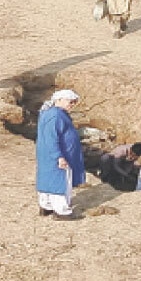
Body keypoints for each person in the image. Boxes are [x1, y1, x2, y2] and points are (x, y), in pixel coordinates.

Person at [35, 89, 85, 220]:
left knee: (47, 180)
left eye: (74, 102)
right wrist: (59, 156)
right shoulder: (56, 116)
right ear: (59, 100)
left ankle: (46, 207)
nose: (73, 104)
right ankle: (62, 211)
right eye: (70, 101)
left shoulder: (50, 113)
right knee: (61, 182)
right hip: (57, 155)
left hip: (47, 154)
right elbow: (51, 138)